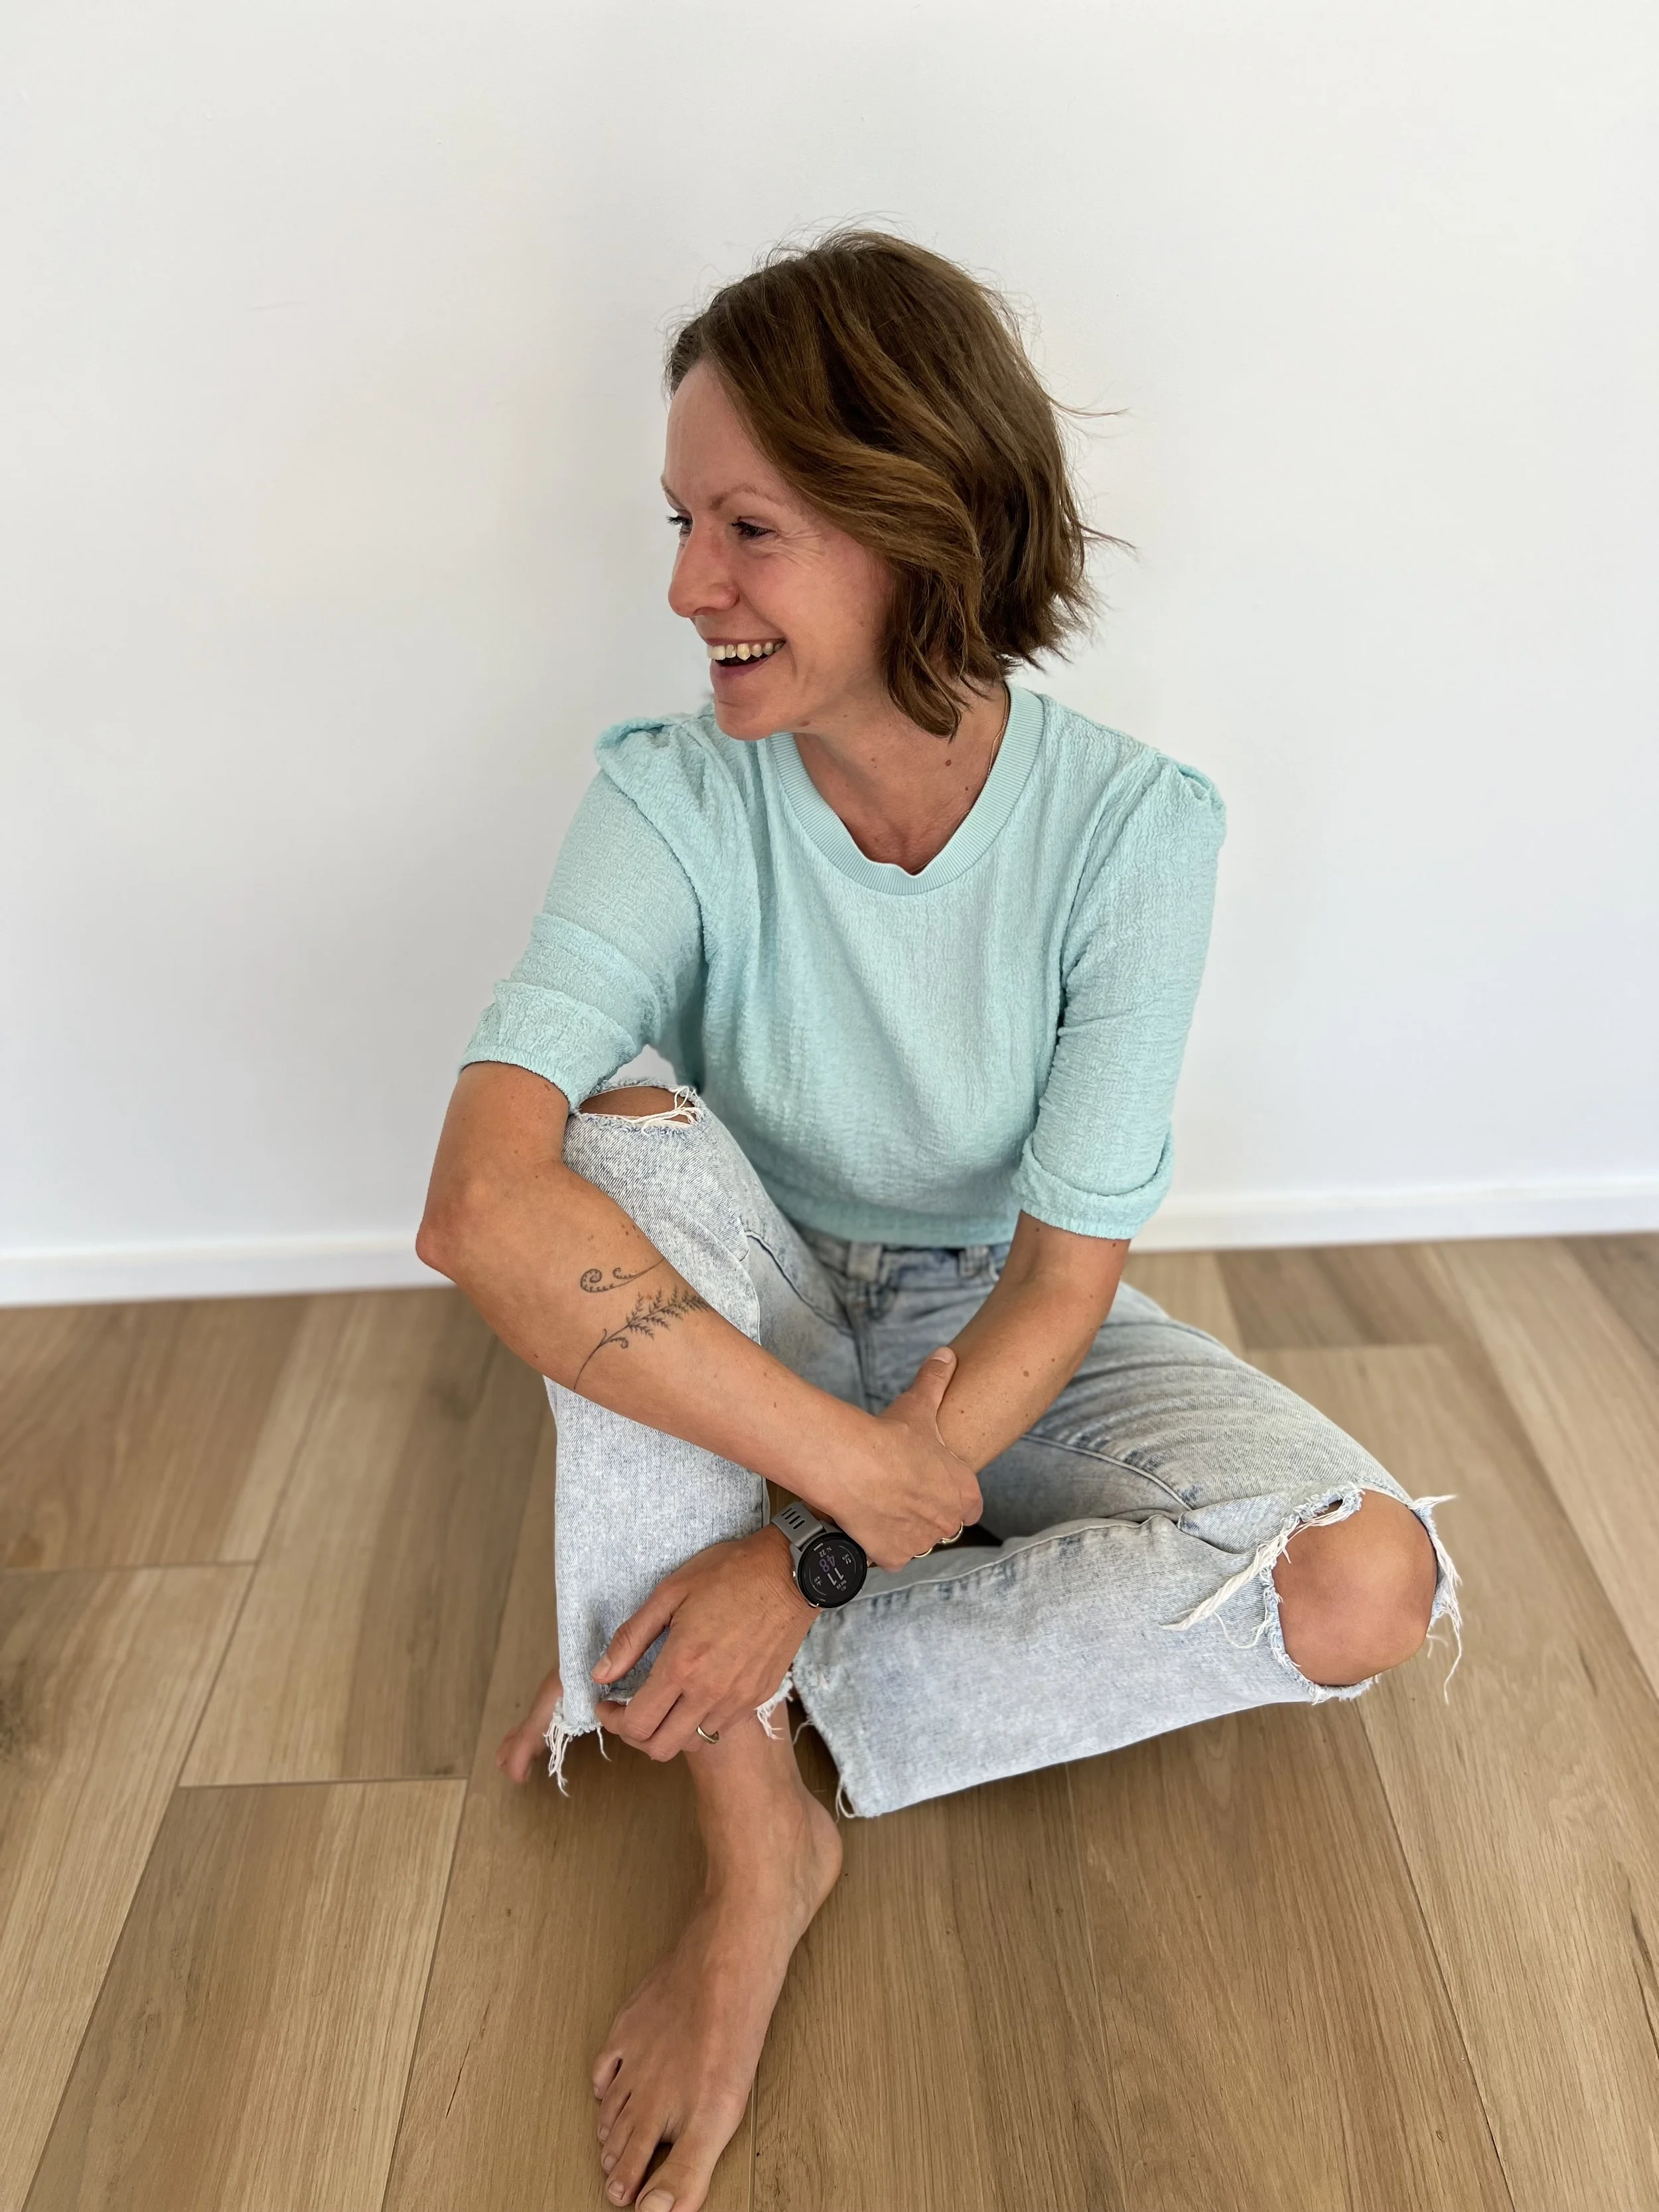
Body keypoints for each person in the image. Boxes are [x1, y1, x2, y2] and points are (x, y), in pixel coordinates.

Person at [417, 230, 1460, 2212]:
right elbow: (477, 1200)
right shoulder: (665, 799)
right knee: (611, 1143)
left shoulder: (1134, 832)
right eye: (679, 521)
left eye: (747, 527)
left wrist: (797, 1567)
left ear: (916, 526)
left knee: (1364, 1585)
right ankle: (756, 1855)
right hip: (764, 1308)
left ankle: (677, 1652)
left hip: (998, 1323)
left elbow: (1068, 1275)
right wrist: (852, 1483)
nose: (683, 585)